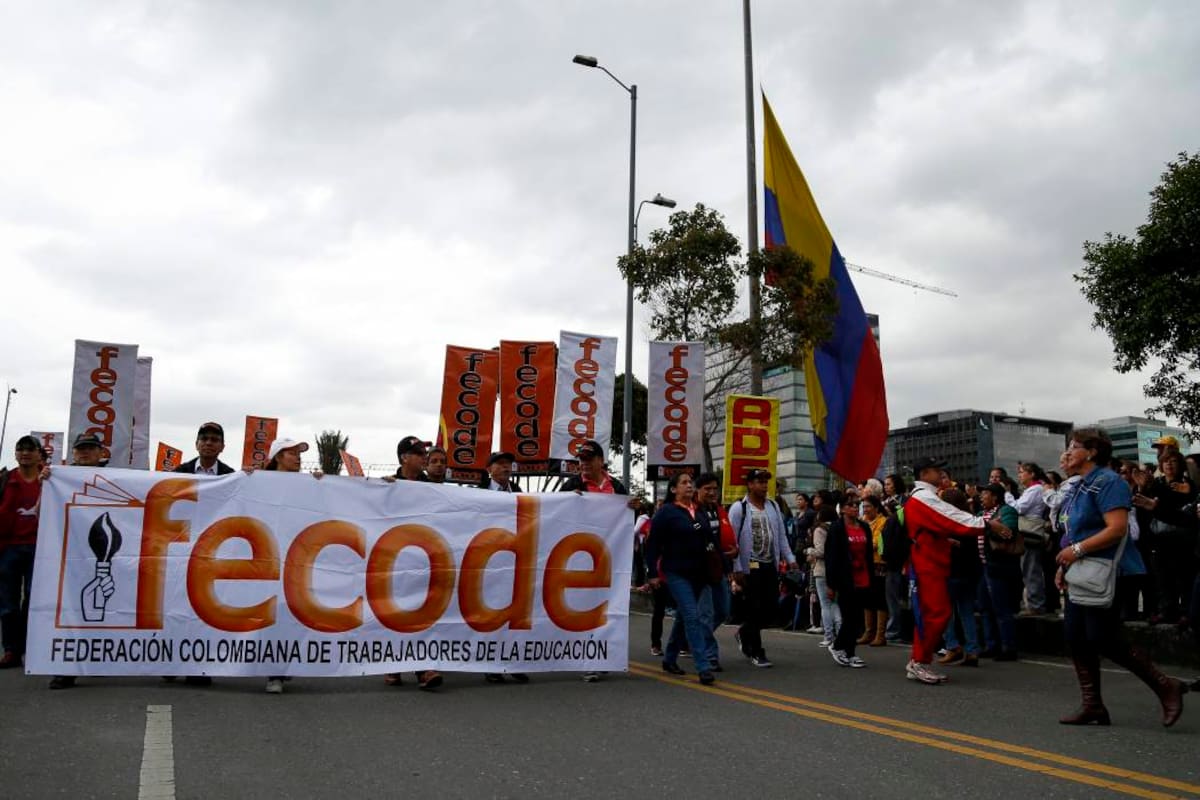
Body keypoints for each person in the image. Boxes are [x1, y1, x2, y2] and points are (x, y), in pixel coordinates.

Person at [1056, 427, 1187, 727]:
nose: (1067, 452)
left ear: (1092, 452)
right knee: (1076, 637)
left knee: (1103, 637)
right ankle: (1093, 705)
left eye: (1074, 446)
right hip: (1083, 571)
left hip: (1108, 571)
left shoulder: (1108, 481)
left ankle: (1167, 686)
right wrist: (1064, 566)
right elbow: (1074, 531)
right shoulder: (1079, 485)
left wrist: (1075, 551)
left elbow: (1116, 528)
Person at [905, 456, 1013, 685]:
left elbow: (941, 523)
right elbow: (952, 518)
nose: (941, 475)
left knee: (932, 613)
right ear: (924, 474)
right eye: (936, 470)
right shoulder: (924, 497)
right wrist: (987, 524)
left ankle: (919, 660)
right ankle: (919, 662)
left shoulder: (923, 497)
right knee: (936, 613)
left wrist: (945, 540)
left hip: (929, 562)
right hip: (928, 565)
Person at [560, 440, 631, 682]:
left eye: (589, 459)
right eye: (581, 460)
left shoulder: (617, 487)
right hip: (579, 559)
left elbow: (627, 518)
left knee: (606, 610)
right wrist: (568, 500)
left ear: (601, 461)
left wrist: (634, 507)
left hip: (609, 559)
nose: (584, 464)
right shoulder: (572, 485)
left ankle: (600, 656)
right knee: (583, 610)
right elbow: (555, 514)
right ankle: (586, 659)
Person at [381, 435, 445, 691]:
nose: (424, 458)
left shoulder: (433, 488)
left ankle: (423, 668)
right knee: (394, 611)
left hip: (424, 560)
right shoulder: (386, 485)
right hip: (393, 560)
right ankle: (391, 665)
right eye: (419, 454)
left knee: (423, 611)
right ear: (404, 458)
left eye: (424, 454)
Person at [46, 434, 106, 689]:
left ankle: (101, 659)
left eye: (90, 449)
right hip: (69, 554)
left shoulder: (114, 476)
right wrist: (45, 483)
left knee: (102, 609)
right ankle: (66, 668)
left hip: (101, 552)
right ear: (73, 452)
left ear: (100, 452)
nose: (85, 453)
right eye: (81, 448)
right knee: (69, 608)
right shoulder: (56, 478)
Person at [643, 473, 716, 685]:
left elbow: (710, 542)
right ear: (674, 489)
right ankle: (703, 667)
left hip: (699, 574)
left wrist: (723, 564)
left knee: (684, 617)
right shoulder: (666, 512)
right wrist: (652, 574)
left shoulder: (699, 511)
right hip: (676, 572)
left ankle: (669, 658)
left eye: (690, 483)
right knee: (692, 615)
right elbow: (653, 544)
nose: (689, 486)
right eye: (684, 483)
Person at [729, 469, 798, 668]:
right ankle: (756, 651)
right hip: (750, 565)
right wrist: (736, 567)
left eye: (765, 482)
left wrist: (790, 558)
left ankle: (743, 632)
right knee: (754, 607)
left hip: (770, 564)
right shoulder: (739, 508)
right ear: (749, 484)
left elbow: (781, 535)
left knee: (770, 608)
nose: (764, 485)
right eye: (759, 482)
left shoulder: (773, 506)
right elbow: (732, 541)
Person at [476, 450, 528, 684]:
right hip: (487, 563)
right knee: (491, 613)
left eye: (509, 464)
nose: (506, 468)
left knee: (513, 613)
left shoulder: (518, 493)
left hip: (513, 561)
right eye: (501, 464)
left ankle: (513, 662)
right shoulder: (478, 493)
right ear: (490, 469)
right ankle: (491, 663)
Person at [1135, 450, 1197, 626]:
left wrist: (1185, 493)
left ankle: (1185, 611)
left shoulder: (1188, 485)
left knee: (1183, 577)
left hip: (1182, 538)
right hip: (1158, 537)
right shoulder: (1155, 484)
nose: (1169, 464)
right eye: (1165, 461)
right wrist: (1142, 488)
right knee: (1162, 577)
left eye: (1173, 461)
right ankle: (1166, 610)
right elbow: (1142, 508)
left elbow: (1184, 513)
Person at [0, 436, 45, 669]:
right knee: (7, 603)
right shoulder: (5, 480)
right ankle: (11, 651)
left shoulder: (49, 480)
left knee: (32, 601)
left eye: (30, 449)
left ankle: (29, 647)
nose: (25, 453)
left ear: (40, 454)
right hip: (8, 548)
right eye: (20, 449)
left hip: (40, 548)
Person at [823, 498, 874, 668]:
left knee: (858, 617)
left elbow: (868, 555)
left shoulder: (864, 527)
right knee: (849, 616)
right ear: (843, 509)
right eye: (850, 505)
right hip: (845, 579)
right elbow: (831, 557)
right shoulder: (837, 528)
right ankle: (840, 647)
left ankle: (849, 652)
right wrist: (831, 584)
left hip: (863, 577)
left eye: (856, 505)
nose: (854, 508)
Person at [975, 484, 1022, 660]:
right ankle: (991, 645)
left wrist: (987, 526)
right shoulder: (980, 514)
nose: (981, 497)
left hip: (998, 566)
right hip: (982, 566)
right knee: (985, 608)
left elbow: (1008, 533)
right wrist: (990, 525)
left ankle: (1008, 647)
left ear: (995, 497)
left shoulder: (1007, 511)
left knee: (1002, 608)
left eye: (985, 494)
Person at [938, 489, 983, 667]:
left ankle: (952, 645)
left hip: (952, 571)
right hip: (970, 572)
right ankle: (972, 649)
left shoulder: (949, 521)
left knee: (946, 611)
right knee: (966, 611)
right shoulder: (970, 519)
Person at [1015, 462, 1051, 616]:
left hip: (1031, 532)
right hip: (1029, 532)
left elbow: (1018, 508)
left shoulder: (1035, 489)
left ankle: (1036, 604)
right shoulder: (1032, 489)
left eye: (1022, 472)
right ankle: (1034, 603)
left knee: (1031, 569)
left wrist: (1008, 496)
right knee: (1029, 568)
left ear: (1032, 474)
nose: (1019, 475)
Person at [805, 507, 842, 647]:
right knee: (835, 602)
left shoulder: (820, 530)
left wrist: (808, 550)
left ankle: (829, 635)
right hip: (837, 570)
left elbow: (820, 551)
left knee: (825, 604)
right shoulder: (839, 527)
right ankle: (839, 631)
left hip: (822, 569)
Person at [859, 496, 889, 647]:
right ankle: (868, 632)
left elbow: (876, 543)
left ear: (877, 507)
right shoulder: (863, 522)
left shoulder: (883, 521)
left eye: (868, 506)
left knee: (879, 600)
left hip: (879, 565)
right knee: (867, 599)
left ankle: (880, 634)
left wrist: (860, 543)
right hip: (865, 564)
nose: (865, 509)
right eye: (864, 507)